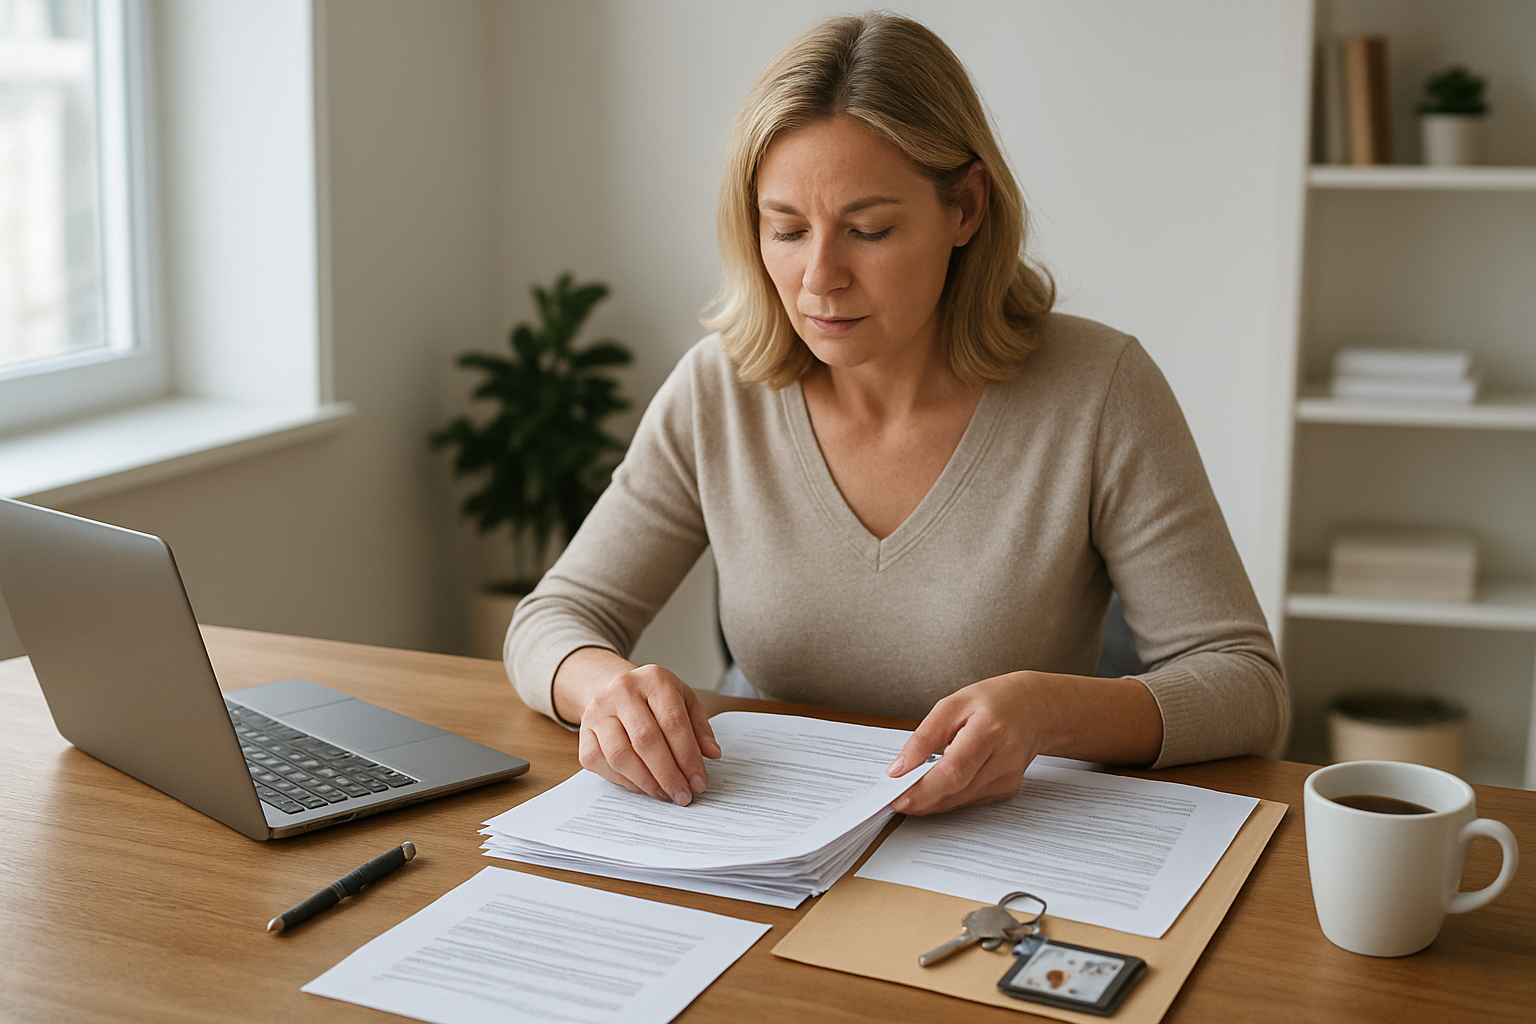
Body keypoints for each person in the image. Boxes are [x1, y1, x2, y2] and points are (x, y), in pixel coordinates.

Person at [506, 12, 1287, 816]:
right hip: (764, 839)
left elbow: (1244, 683)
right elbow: (554, 619)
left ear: (966, 208)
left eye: (868, 230)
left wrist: (1053, 710)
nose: (819, 278)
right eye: (786, 229)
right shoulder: (720, 390)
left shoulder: (1100, 390)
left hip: (1002, 851)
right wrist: (605, 688)